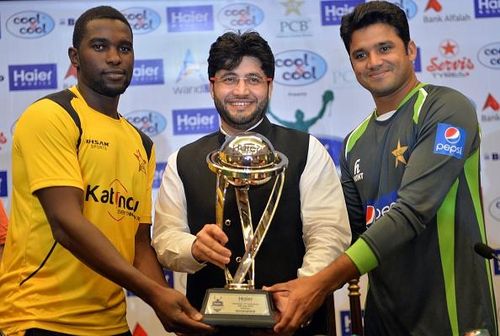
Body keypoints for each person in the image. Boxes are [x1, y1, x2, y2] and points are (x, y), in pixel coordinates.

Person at [267, 2, 498, 335]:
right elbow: (346, 232)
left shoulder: (445, 108)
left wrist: (318, 286)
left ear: (410, 49)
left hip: (453, 318)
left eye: (385, 48)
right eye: (361, 55)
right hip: (384, 322)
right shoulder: (353, 143)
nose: (373, 62)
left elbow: (411, 212)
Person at [0, 6, 213, 336]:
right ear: (75, 56)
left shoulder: (141, 142)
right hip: (40, 318)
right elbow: (66, 224)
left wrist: (170, 307)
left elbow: (139, 244)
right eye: (99, 46)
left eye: (124, 48)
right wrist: (154, 293)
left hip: (111, 324)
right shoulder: (51, 115)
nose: (114, 57)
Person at [152, 31, 351, 335]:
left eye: (253, 79)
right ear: (212, 86)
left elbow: (329, 234)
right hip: (208, 326)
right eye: (230, 79)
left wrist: (301, 292)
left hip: (293, 323)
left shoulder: (307, 150)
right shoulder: (183, 160)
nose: (241, 90)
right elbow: (165, 240)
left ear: (269, 85)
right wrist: (193, 247)